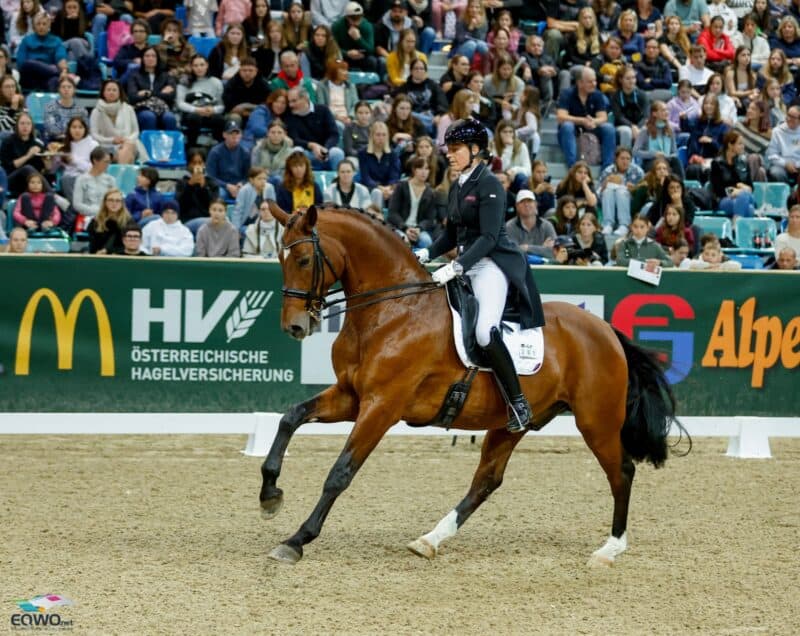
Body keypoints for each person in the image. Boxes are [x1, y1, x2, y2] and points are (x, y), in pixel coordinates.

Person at [416, 119, 545, 433]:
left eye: (456, 149)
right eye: (449, 149)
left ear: (475, 150)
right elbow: (451, 234)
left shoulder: (489, 184)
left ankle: (518, 403)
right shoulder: (458, 184)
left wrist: (456, 267)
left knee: (486, 332)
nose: (450, 154)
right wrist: (427, 253)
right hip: (465, 263)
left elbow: (488, 237)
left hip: (491, 265)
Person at [556, 67, 616, 169]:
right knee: (567, 126)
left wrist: (594, 121)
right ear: (580, 83)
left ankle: (607, 169)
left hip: (592, 127)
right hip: (573, 129)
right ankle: (573, 168)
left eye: (595, 81)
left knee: (609, 128)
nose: (594, 84)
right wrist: (582, 121)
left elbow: (603, 117)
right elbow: (561, 117)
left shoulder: (597, 94)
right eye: (590, 82)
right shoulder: (567, 94)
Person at [284, 86, 345, 171]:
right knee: (296, 151)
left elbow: (334, 134)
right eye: (289, 102)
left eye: (294, 101)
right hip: (306, 152)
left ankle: (339, 180)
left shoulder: (323, 110)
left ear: (305, 98)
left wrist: (325, 148)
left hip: (325, 150)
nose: (291, 105)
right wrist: (312, 145)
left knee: (337, 152)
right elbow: (294, 139)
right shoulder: (289, 116)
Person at [177, 54, 226, 150]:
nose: (199, 68)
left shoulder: (216, 82)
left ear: (207, 65)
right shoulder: (184, 81)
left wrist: (213, 110)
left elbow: (222, 105)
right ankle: (191, 148)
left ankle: (219, 148)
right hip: (191, 114)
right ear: (191, 67)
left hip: (209, 113)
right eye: (196, 65)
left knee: (219, 119)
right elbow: (180, 103)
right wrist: (196, 109)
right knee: (194, 118)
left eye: (202, 65)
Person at [387, 156, 437, 248]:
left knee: (427, 242)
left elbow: (430, 219)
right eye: (420, 168)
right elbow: (392, 213)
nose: (424, 172)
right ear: (414, 170)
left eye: (426, 169)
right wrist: (405, 228)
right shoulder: (401, 186)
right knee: (402, 240)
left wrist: (419, 228)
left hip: (418, 230)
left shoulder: (430, 192)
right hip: (399, 227)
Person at [126, 46, 178, 132]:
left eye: (153, 56)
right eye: (147, 56)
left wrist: (147, 93)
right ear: (142, 58)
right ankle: (148, 144)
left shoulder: (166, 76)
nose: (150, 58)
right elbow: (132, 97)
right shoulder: (134, 76)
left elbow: (171, 96)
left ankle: (170, 145)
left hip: (163, 108)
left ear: (158, 59)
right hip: (142, 108)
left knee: (170, 118)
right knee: (148, 116)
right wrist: (161, 93)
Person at [90, 79, 140, 165]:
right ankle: (121, 174)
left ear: (119, 92)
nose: (111, 92)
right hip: (106, 146)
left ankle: (119, 172)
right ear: (103, 92)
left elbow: (136, 131)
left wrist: (126, 140)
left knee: (127, 147)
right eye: (108, 90)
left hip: (128, 143)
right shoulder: (96, 111)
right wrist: (112, 140)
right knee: (126, 155)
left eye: (114, 90)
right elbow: (94, 135)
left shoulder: (128, 109)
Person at [15, 12, 69, 91]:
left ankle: (50, 100)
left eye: (44, 24)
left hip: (47, 77)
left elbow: (60, 57)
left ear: (49, 25)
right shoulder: (26, 40)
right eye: (38, 24)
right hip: (30, 76)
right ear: (34, 26)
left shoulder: (56, 40)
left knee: (54, 80)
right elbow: (21, 63)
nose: (41, 27)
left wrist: (64, 70)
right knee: (29, 63)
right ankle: (55, 71)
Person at [598, 147, 646, 236]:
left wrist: (634, 188)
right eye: (622, 158)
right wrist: (606, 183)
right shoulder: (608, 171)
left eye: (628, 159)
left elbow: (644, 190)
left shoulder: (638, 171)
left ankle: (624, 225)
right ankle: (608, 224)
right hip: (610, 200)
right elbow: (599, 193)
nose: (625, 161)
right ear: (616, 159)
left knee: (621, 191)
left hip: (631, 201)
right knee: (608, 191)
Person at [0, 111, 48, 197]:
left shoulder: (38, 144)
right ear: (17, 126)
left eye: (28, 124)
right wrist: (28, 156)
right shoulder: (8, 142)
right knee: (27, 168)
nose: (25, 126)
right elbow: (10, 166)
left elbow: (42, 169)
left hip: (32, 182)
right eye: (22, 123)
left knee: (41, 175)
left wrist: (48, 161)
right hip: (11, 178)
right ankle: (53, 196)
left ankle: (48, 198)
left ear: (32, 126)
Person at [633, 100, 684, 178]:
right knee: (660, 166)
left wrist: (668, 156)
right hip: (651, 161)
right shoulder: (645, 130)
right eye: (663, 110)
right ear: (654, 113)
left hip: (667, 159)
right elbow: (635, 152)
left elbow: (674, 152)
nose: (666, 112)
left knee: (676, 161)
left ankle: (681, 186)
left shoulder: (670, 129)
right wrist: (653, 154)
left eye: (667, 110)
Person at [710, 130, 755, 217]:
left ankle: (736, 224)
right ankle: (740, 226)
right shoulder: (717, 163)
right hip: (724, 199)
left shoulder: (744, 162)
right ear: (730, 145)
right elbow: (718, 190)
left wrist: (740, 192)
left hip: (743, 197)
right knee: (749, 208)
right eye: (740, 144)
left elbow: (751, 187)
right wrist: (736, 191)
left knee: (745, 198)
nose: (743, 147)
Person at [358, 120, 401, 208]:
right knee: (377, 193)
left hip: (388, 189)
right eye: (378, 135)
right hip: (370, 187)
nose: (381, 138)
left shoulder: (392, 154)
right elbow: (366, 178)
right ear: (372, 136)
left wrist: (389, 188)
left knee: (396, 192)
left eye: (384, 135)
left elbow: (394, 176)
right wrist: (379, 188)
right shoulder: (363, 153)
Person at [176, 149, 219, 234]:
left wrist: (203, 187)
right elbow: (180, 206)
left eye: (200, 163)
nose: (197, 166)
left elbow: (213, 206)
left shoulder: (211, 182)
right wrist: (190, 186)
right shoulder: (182, 182)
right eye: (194, 163)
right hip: (187, 221)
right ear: (188, 165)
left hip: (207, 219)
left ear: (204, 164)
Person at [505, 188, 557, 259]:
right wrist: (542, 248)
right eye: (522, 201)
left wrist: (527, 248)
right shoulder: (509, 226)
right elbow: (513, 253)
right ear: (517, 206)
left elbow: (555, 252)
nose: (526, 204)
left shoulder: (547, 225)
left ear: (535, 204)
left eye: (529, 201)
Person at [206, 118, 251, 200]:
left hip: (239, 187)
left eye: (237, 133)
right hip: (222, 186)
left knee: (251, 193)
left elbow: (247, 175)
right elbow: (210, 176)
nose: (234, 136)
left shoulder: (245, 152)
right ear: (224, 135)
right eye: (231, 133)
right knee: (219, 194)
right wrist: (227, 186)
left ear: (241, 135)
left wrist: (241, 184)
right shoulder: (215, 152)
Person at [331, 1, 378, 74]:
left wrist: (358, 39)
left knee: (372, 60)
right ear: (347, 17)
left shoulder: (367, 26)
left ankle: (368, 83)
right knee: (334, 60)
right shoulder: (337, 26)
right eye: (353, 19)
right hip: (344, 56)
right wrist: (347, 53)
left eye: (359, 18)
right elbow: (333, 48)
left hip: (361, 56)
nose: (357, 22)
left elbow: (371, 50)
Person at [72, 146, 118, 220]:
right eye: (105, 162)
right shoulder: (81, 179)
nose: (108, 165)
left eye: (109, 162)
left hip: (109, 216)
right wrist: (97, 212)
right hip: (88, 217)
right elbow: (77, 204)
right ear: (95, 161)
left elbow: (116, 200)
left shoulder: (111, 180)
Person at [612, 64, 651, 149]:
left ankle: (644, 159)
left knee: (646, 131)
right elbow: (619, 117)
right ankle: (626, 157)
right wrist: (632, 126)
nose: (631, 81)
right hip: (622, 126)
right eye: (628, 78)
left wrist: (638, 128)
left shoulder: (642, 94)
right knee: (627, 131)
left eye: (633, 78)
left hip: (639, 125)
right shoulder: (616, 96)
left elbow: (646, 115)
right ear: (620, 80)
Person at [315, 58, 359, 130]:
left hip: (348, 118)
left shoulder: (351, 86)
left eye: (346, 70)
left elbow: (356, 105)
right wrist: (337, 117)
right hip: (331, 118)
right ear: (333, 72)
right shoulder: (322, 86)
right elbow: (322, 107)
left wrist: (350, 117)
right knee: (339, 126)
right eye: (343, 70)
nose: (346, 72)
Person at [42, 75, 87, 143]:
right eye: (63, 87)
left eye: (69, 87)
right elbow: (51, 129)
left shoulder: (81, 109)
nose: (66, 89)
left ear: (74, 90)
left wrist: (66, 132)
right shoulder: (50, 107)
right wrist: (74, 131)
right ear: (59, 90)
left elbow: (86, 127)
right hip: (55, 142)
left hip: (76, 141)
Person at [87, 188, 132, 254]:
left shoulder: (129, 222)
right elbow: (92, 246)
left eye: (118, 201)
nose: (114, 203)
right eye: (111, 200)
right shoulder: (96, 222)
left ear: (122, 203)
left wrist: (109, 251)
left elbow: (130, 246)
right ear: (105, 202)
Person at [231, 166, 276, 232]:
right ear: (251, 180)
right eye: (259, 179)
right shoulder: (244, 190)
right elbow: (237, 212)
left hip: (264, 223)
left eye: (265, 179)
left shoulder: (269, 188)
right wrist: (236, 230)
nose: (263, 181)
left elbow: (273, 209)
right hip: (246, 224)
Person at [766, 105, 800, 183]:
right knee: (775, 172)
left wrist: (797, 165)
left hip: (798, 164)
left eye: (793, 117)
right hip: (781, 165)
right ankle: (786, 194)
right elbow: (772, 154)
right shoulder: (777, 131)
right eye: (788, 115)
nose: (788, 119)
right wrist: (785, 164)